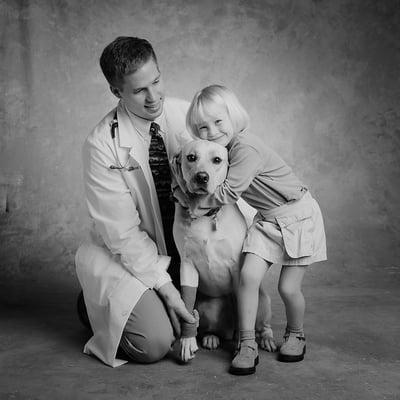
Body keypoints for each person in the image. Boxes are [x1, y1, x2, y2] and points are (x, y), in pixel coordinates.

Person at [179, 84, 327, 375]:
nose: (212, 131)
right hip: (268, 219)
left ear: (234, 116)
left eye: (218, 121)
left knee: (287, 287)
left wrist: (196, 205)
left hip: (298, 216)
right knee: (247, 276)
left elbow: (230, 191)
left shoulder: (245, 147)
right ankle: (247, 342)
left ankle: (296, 334)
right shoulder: (222, 151)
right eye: (202, 127)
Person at [75, 36, 196, 368]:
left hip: (185, 247)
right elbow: (123, 235)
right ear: (117, 92)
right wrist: (167, 290)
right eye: (140, 90)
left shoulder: (188, 115)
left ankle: (152, 298)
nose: (154, 96)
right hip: (133, 253)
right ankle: (91, 305)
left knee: (217, 321)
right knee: (156, 344)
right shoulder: (101, 145)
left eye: (156, 81)